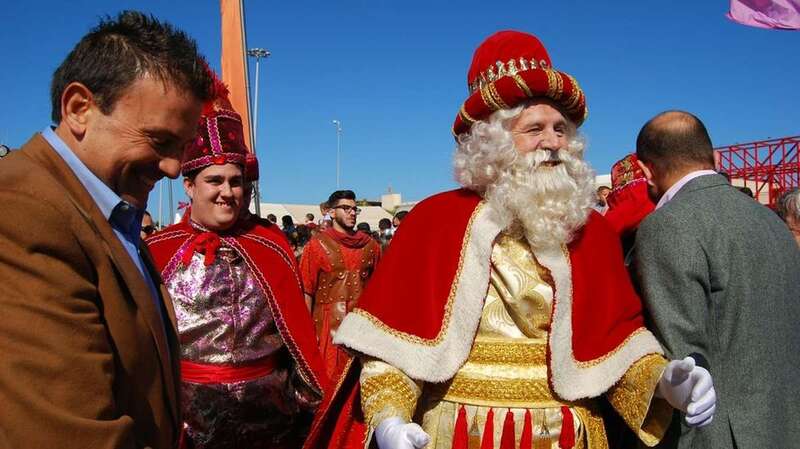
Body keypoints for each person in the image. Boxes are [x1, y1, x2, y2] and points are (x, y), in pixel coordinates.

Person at [304, 31, 715, 449]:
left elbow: (616, 349)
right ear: (494, 142)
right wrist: (390, 419)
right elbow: (392, 353)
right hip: (459, 432)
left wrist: (664, 382)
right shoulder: (432, 222)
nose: (553, 143)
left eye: (560, 128)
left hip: (569, 436)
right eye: (534, 129)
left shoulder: (591, 232)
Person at [0, 11, 212, 448]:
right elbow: (67, 434)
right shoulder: (23, 212)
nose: (174, 167)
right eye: (159, 141)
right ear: (80, 109)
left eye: (182, 147)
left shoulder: (106, 208)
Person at [146, 74, 326, 448]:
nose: (227, 192)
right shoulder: (158, 252)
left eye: (236, 181)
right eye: (214, 180)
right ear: (189, 185)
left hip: (272, 425)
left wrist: (308, 403)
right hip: (185, 425)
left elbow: (298, 342)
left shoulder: (270, 244)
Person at [633, 110, 800, 449]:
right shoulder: (774, 224)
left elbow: (684, 360)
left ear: (645, 170)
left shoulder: (665, 225)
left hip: (716, 437)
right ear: (716, 157)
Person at [299, 189, 381, 379]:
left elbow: (378, 289)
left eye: (355, 209)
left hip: (361, 326)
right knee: (328, 383)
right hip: (327, 327)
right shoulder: (316, 245)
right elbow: (307, 290)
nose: (352, 212)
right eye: (346, 208)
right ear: (332, 212)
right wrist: (306, 335)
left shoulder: (371, 246)